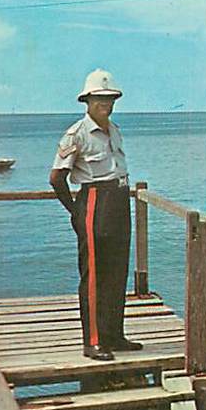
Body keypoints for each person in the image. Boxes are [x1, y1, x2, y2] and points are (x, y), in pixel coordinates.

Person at [49, 69, 142, 361]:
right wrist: (76, 211)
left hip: (118, 200)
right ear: (87, 100)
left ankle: (114, 335)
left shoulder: (114, 129)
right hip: (94, 201)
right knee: (93, 277)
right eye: (100, 98)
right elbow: (56, 178)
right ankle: (92, 342)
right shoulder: (76, 134)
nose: (106, 103)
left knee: (117, 272)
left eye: (110, 98)